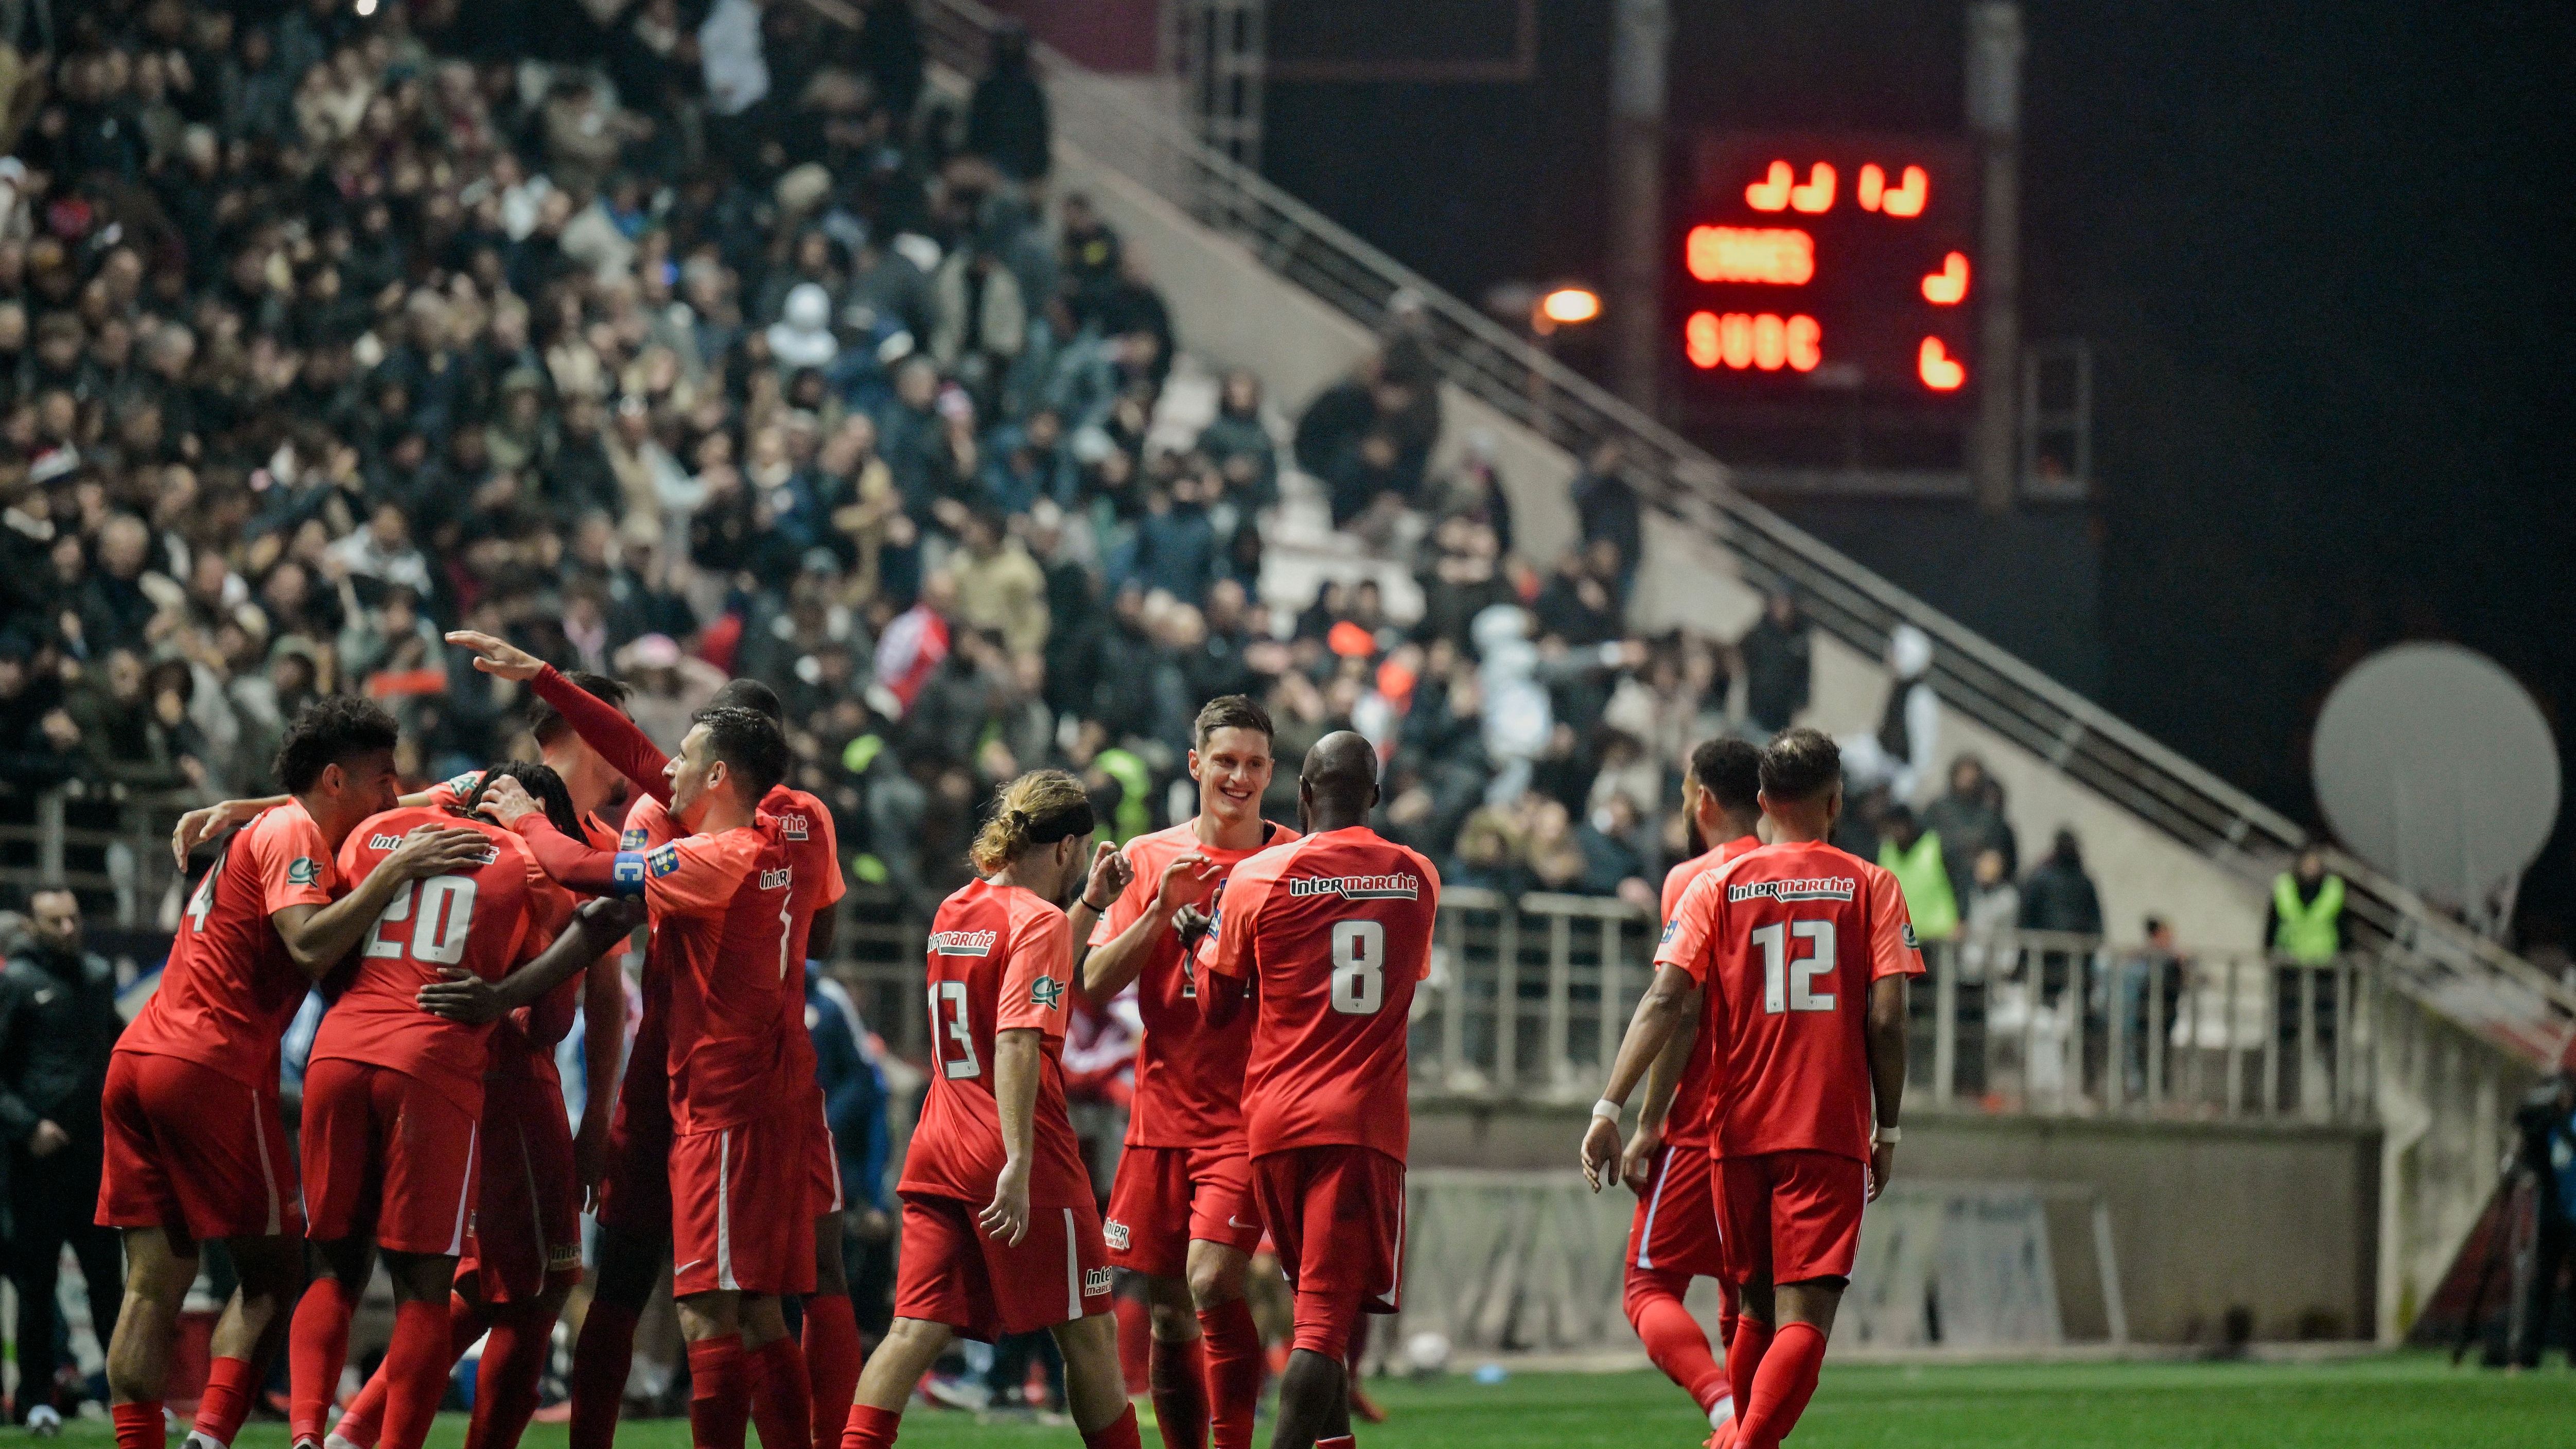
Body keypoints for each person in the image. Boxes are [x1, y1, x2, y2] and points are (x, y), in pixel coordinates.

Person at [439, 634, 864, 1449]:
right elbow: (822, 932)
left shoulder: (697, 841)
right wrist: (548, 680)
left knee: (689, 1296)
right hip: (759, 1081)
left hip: (711, 1089)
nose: (662, 766)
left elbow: (603, 901)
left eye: (687, 751)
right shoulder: (799, 820)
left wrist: (508, 985)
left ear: (720, 768)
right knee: (780, 1288)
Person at [97, 700, 491, 1449]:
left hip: (140, 1056)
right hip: (209, 1062)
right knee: (279, 1275)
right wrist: (399, 869)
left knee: (153, 1285)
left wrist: (244, 803)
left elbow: (412, 801)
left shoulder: (268, 823)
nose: (393, 795)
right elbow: (308, 943)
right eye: (381, 780)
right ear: (336, 777)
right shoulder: (296, 832)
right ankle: (211, 1436)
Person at [1582, 727, 1920, 1449]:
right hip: (1824, 1128)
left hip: (1731, 1135)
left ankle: (1732, 1433)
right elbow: (1889, 1018)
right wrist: (1886, 1129)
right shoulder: (1871, 883)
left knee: (1753, 1311)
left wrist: (1611, 1106)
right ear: (1836, 800)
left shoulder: (1714, 882)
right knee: (1804, 1321)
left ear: (1763, 801)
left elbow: (1665, 999)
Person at [840, 770, 1143, 1449]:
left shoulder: (957, 907)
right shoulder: (1034, 919)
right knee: (1089, 1330)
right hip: (1012, 1147)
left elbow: (1029, 963)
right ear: (1065, 847)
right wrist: (1018, 1158)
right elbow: (1015, 1036)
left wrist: (1091, 905)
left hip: (939, 1140)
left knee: (914, 1328)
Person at [282, 766, 573, 1449]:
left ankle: (307, 1431)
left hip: (339, 1048)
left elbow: (325, 946)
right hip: (435, 1066)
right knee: (426, 1282)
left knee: (330, 1264)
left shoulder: (375, 832)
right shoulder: (531, 864)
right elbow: (551, 1018)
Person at [1189, 731, 1441, 1449]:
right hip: (1359, 1122)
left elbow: (1215, 1002)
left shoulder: (1256, 876)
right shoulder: (1416, 873)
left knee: (1312, 1309)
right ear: (1376, 796)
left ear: (1301, 793)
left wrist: (1194, 941)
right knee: (1323, 1325)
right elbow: (1401, 977)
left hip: (1272, 1121)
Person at [1076, 696, 1295, 1449]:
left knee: (1212, 1281)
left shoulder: (1294, 863)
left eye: (1254, 763)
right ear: (1196, 763)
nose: (1239, 776)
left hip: (1248, 1112)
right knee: (1169, 1305)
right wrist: (1159, 911)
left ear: (1272, 772)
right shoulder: (1146, 856)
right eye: (1226, 760)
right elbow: (1093, 980)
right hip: (1160, 1109)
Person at [1616, 739, 1764, 1444]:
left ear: (1701, 798)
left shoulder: (1694, 878)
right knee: (1746, 1298)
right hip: (1784, 1120)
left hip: (1705, 1115)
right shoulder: (1813, 875)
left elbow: (1681, 1004)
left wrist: (1644, 1119)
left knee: (1648, 1285)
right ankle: (1749, 1427)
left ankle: (1724, 1409)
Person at [1, 887, 126, 1433]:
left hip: (93, 1161)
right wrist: (28, 1125)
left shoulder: (98, 976)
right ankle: (35, 1399)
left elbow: (121, 1043)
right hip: (35, 1166)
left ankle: (132, 1396)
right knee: (36, 1287)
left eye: (76, 917)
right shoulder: (16, 983)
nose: (71, 928)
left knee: (111, 1287)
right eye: (57, 921)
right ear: (33, 925)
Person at [2512, 1072, 2576, 1369]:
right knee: (2542, 1286)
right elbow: (2522, 1119)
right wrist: (2543, 1101)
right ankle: (2529, 1353)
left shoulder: (2570, 1125)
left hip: (2574, 1217)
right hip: (2553, 1219)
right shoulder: (2546, 1125)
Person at [1876, 805, 1958, 944]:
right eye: (1893, 827)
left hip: (1940, 933)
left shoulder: (1934, 846)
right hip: (1903, 936)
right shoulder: (1886, 852)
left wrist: (1961, 918)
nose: (1897, 832)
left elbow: (1958, 882)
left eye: (1900, 826)